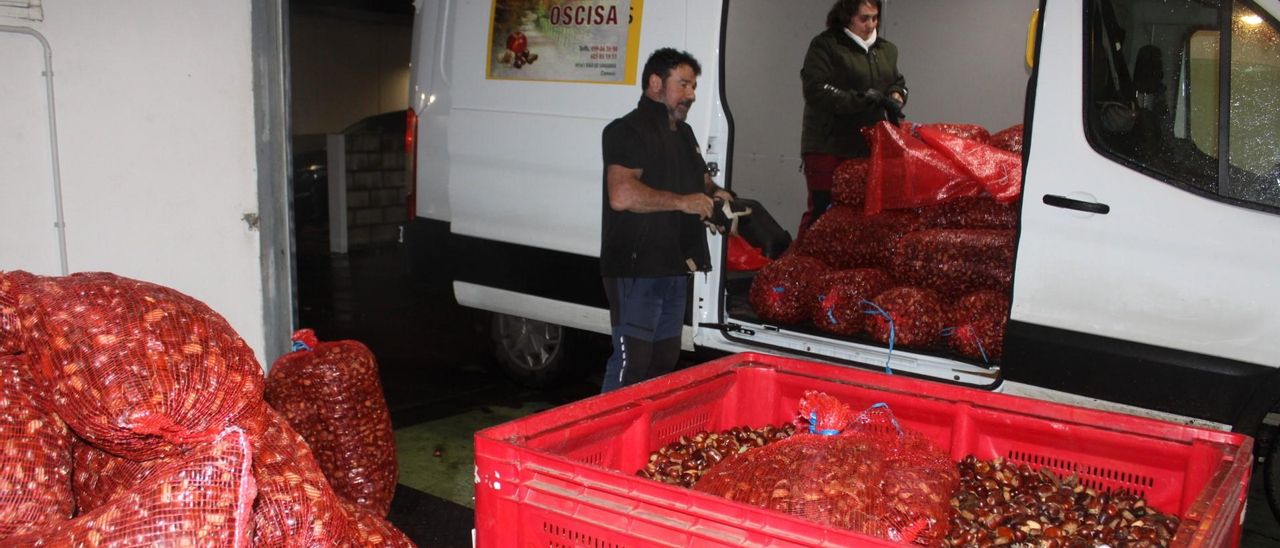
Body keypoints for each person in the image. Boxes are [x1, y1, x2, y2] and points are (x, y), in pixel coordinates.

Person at [599, 48, 733, 393]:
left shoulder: (685, 135)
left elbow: (703, 184)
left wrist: (720, 198)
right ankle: (606, 442)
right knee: (633, 363)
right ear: (656, 83)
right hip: (637, 267)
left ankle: (645, 440)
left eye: (693, 86)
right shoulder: (626, 130)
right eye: (683, 84)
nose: (691, 94)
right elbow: (622, 194)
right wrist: (683, 203)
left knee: (663, 360)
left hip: (674, 265)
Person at [798, 0, 908, 236]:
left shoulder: (887, 50)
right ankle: (799, 268)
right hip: (828, 144)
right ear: (847, 16)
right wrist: (863, 100)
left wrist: (897, 95)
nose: (871, 24)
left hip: (868, 146)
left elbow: (897, 81)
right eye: (864, 18)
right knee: (823, 212)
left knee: (859, 215)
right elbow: (815, 89)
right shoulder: (825, 45)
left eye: (875, 18)